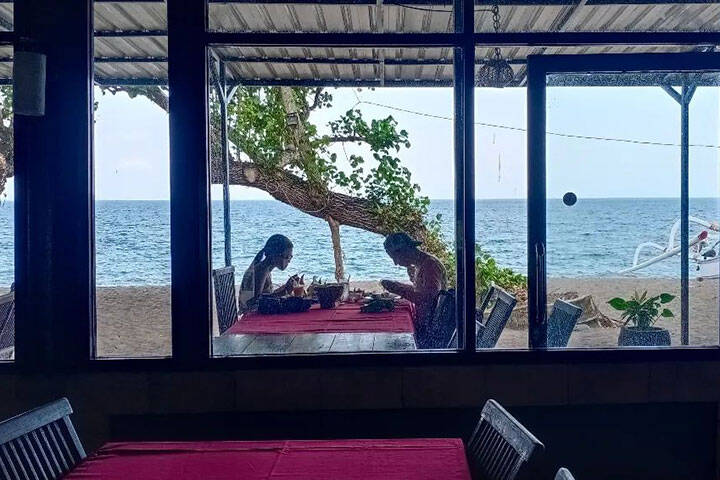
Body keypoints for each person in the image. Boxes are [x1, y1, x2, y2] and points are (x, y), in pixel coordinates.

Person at [380, 232, 447, 337]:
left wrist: (399, 290)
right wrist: (397, 285)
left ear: (404, 251)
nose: (395, 263)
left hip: (429, 329)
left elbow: (428, 298)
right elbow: (421, 291)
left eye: (395, 257)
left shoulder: (430, 265)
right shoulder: (421, 264)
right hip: (425, 322)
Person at [239, 234, 299, 310]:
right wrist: (283, 292)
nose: (289, 260)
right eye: (287, 257)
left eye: (291, 256)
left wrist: (284, 289)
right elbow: (257, 302)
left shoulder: (264, 267)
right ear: (275, 256)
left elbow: (266, 295)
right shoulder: (261, 270)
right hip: (251, 317)